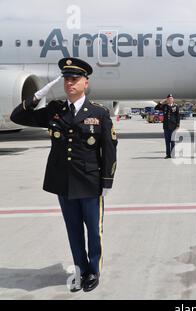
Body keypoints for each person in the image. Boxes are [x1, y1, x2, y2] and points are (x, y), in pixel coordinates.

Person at [10, 58, 118, 293]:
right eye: (66, 79)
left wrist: (107, 181)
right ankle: (79, 269)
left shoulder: (99, 113)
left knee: (93, 230)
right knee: (73, 230)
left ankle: (93, 271)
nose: (69, 83)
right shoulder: (54, 111)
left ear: (85, 83)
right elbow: (17, 117)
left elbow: (109, 149)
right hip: (63, 182)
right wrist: (40, 93)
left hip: (90, 182)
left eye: (74, 79)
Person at [155, 94, 180, 159]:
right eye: (168, 99)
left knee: (173, 141)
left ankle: (173, 154)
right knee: (167, 141)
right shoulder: (164, 106)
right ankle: (168, 155)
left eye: (171, 98)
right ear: (167, 100)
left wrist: (178, 125)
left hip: (173, 126)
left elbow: (178, 116)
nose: (170, 100)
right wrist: (162, 102)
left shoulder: (175, 106)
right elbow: (156, 107)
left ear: (173, 100)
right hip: (166, 126)